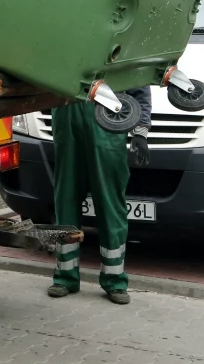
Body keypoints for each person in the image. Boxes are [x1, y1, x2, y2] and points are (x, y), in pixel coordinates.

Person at [47, 86, 151, 304]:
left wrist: (140, 132)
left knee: (110, 205)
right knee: (65, 201)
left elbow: (140, 85)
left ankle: (115, 280)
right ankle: (65, 276)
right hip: (67, 123)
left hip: (107, 128)